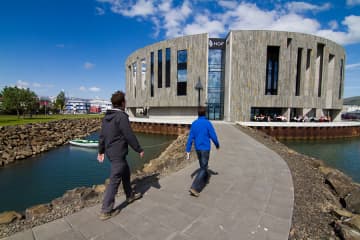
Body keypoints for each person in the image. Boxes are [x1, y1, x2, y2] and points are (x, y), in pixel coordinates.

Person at [97, 90, 144, 220]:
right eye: (125, 101)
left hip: (111, 152)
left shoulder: (107, 117)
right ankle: (106, 210)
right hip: (118, 153)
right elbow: (129, 135)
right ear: (123, 103)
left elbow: (102, 136)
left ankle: (130, 196)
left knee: (126, 172)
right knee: (114, 181)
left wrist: (101, 151)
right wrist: (139, 149)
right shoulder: (122, 116)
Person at [186, 106, 220, 197]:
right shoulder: (207, 123)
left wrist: (188, 150)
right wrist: (217, 144)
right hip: (205, 148)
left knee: (202, 166)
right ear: (205, 113)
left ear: (198, 114)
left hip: (198, 149)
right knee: (204, 167)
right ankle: (194, 187)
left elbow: (190, 138)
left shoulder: (194, 123)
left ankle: (204, 178)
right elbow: (213, 135)